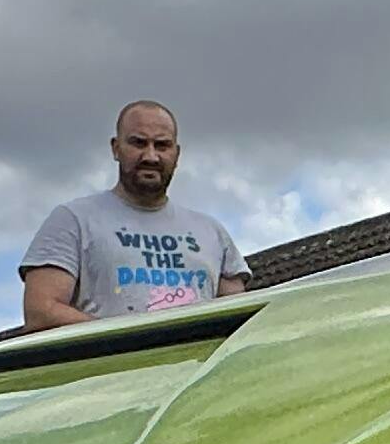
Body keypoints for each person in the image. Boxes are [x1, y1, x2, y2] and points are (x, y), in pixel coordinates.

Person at [19, 100, 250, 327]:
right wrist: (130, 339)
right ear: (116, 148)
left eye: (162, 145)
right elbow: (41, 313)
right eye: (138, 143)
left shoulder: (212, 232)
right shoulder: (72, 220)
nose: (150, 156)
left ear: (177, 154)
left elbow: (238, 320)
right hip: (113, 355)